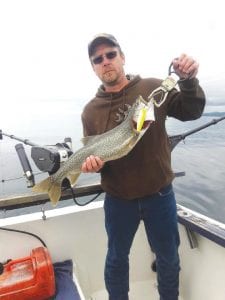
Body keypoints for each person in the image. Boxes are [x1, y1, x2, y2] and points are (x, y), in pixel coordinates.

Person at [81, 33, 205, 300]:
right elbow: (100, 160)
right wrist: (93, 165)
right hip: (118, 200)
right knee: (116, 260)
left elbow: (191, 111)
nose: (105, 62)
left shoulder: (152, 87)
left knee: (168, 258)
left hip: (159, 195)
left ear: (122, 57)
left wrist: (188, 81)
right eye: (98, 59)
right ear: (93, 67)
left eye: (111, 54)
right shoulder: (90, 111)